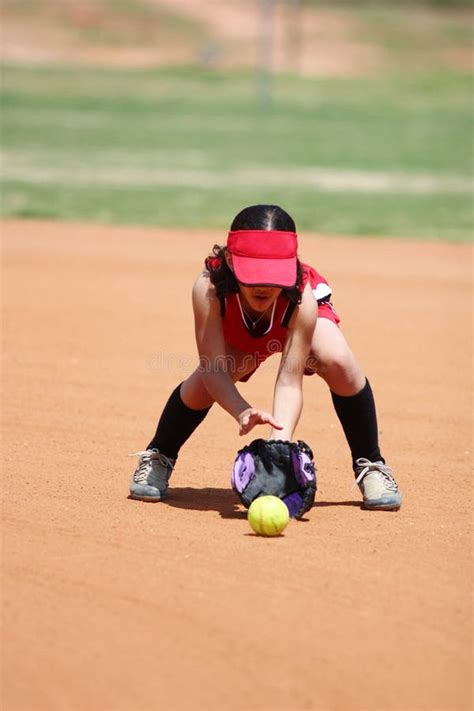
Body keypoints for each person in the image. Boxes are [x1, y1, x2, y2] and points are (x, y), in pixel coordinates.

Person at [129, 204, 402, 511]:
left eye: (273, 274)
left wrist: (279, 445)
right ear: (231, 261)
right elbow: (213, 368)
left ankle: (371, 463)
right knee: (202, 387)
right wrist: (241, 410)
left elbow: (290, 380)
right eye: (254, 273)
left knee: (338, 360)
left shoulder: (301, 296)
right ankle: (159, 454)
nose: (263, 285)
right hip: (241, 335)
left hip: (288, 320)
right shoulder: (208, 288)